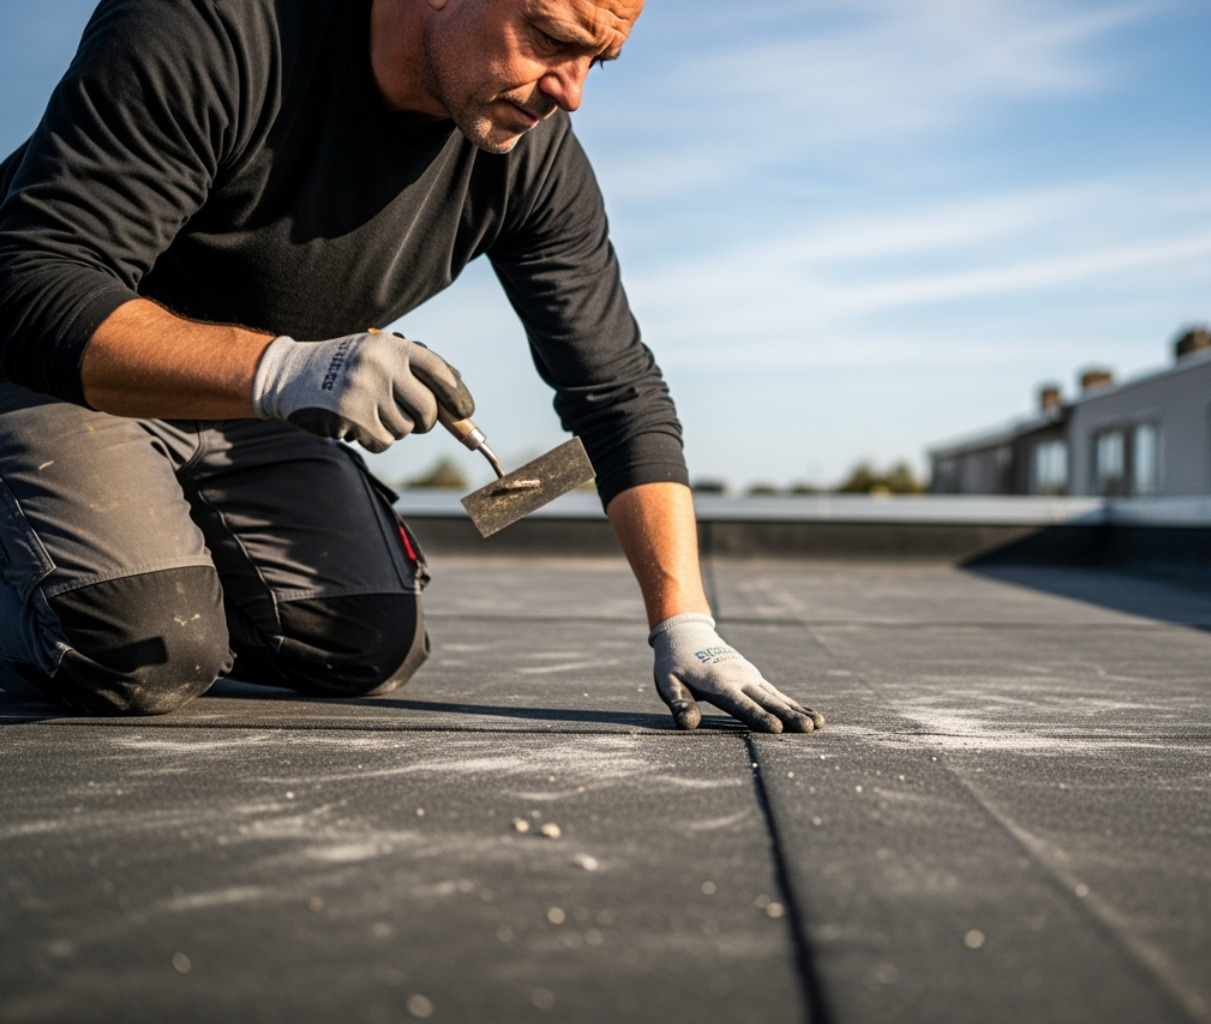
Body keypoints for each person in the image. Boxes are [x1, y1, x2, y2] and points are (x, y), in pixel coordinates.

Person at [0, 0, 823, 734]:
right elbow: (33, 285)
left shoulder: (531, 160)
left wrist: (686, 625)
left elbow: (618, 393)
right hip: (60, 375)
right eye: (547, 38)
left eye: (595, 60)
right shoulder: (212, 27)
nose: (569, 92)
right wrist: (291, 370)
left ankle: (109, 561)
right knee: (140, 645)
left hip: (252, 409)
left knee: (366, 639)